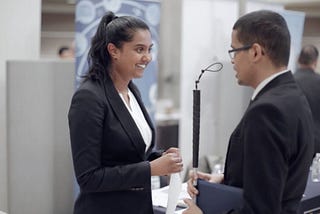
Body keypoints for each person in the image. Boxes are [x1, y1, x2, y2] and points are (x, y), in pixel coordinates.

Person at [183, 10, 314, 214]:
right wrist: (225, 181)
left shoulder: (267, 111)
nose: (233, 60)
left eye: (234, 50)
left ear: (255, 52)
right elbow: (275, 174)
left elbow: (261, 209)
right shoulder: (292, 95)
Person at [68, 11, 183, 214]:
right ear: (114, 50)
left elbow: (132, 153)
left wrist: (161, 157)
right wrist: (151, 169)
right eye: (139, 49)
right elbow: (89, 178)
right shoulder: (89, 98)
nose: (147, 57)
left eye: (149, 49)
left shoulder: (131, 90)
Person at [294, 45, 320, 154]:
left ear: (299, 59)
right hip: (316, 144)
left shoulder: (289, 81)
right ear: (315, 61)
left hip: (293, 142)